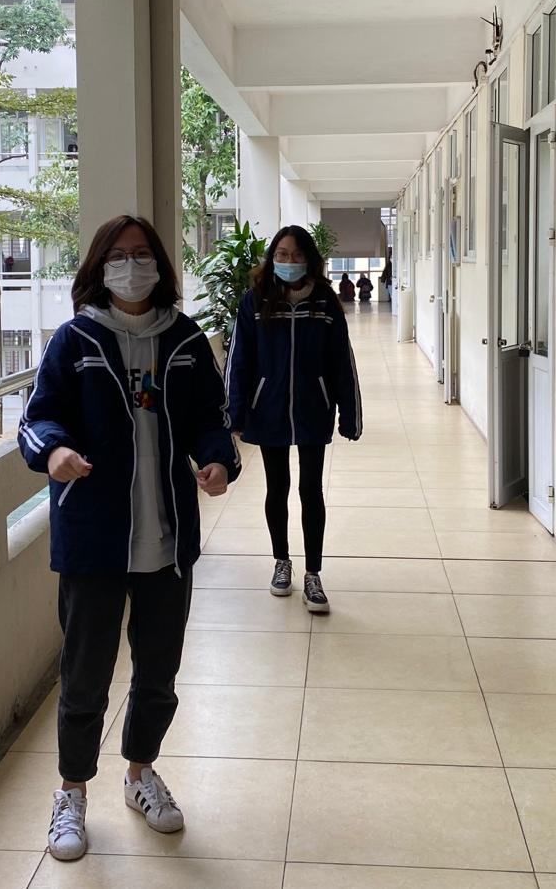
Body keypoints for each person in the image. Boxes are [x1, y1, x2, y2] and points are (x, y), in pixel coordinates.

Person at [18, 215, 239, 863]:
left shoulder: (186, 338)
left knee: (158, 677)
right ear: (98, 266)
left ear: (160, 265)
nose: (131, 265)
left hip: (166, 542)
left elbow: (210, 419)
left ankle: (140, 774)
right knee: (84, 678)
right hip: (94, 541)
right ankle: (70, 793)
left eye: (142, 254)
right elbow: (37, 419)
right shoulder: (76, 339)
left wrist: (218, 460)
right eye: (118, 256)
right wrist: (53, 452)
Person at [226, 225, 362, 613]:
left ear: (310, 260)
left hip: (313, 408)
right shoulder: (254, 301)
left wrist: (349, 412)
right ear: (272, 259)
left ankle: (314, 575)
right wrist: (236, 411)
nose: (289, 262)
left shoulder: (325, 303)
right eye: (282, 255)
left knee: (311, 490)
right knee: (277, 487)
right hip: (267, 408)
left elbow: (342, 361)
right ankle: (281, 561)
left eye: (297, 255)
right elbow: (239, 360)